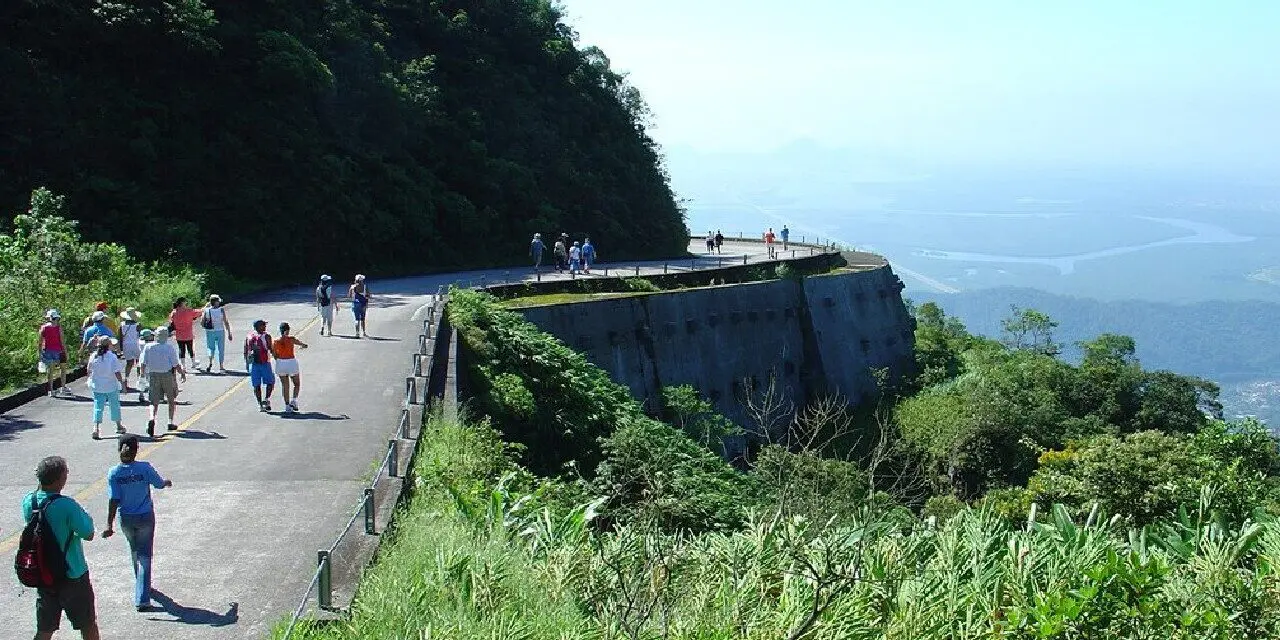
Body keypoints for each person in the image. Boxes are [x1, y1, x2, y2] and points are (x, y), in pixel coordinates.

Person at [23, 456, 100, 640]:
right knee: (87, 625)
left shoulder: (29, 502)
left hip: (44, 573)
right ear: (59, 479)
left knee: (44, 629)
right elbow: (88, 534)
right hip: (73, 574)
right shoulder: (66, 505)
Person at [102, 435, 172, 612]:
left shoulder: (115, 473)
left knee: (134, 550)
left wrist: (109, 525)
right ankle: (142, 597)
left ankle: (142, 582)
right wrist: (165, 483)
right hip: (145, 516)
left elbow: (114, 499)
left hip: (126, 518)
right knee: (145, 555)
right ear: (136, 450)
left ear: (119, 450)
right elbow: (158, 484)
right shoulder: (144, 468)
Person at [139, 326, 185, 438]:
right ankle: (170, 422)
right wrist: (182, 373)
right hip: (167, 374)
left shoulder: (148, 347)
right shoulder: (169, 348)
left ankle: (151, 418)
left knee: (153, 401)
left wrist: (142, 375)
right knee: (171, 399)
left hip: (153, 375)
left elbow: (143, 363)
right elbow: (175, 364)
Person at [87, 335, 126, 441]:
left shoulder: (94, 356)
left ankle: (96, 428)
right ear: (109, 345)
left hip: (97, 385)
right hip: (111, 385)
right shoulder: (112, 357)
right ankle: (118, 425)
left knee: (98, 406)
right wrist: (122, 384)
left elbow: (88, 370)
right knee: (114, 405)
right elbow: (117, 372)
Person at [272, 322, 309, 412]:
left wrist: (278, 358)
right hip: (291, 362)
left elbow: (274, 353)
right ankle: (294, 400)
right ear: (287, 330)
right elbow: (303, 345)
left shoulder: (276, 341)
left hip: (280, 363)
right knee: (296, 384)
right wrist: (303, 346)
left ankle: (287, 405)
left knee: (285, 385)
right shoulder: (291, 339)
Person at [244, 319, 275, 411]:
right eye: (263, 325)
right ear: (258, 327)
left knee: (256, 385)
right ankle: (266, 399)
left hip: (253, 364)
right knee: (270, 382)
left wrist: (246, 362)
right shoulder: (267, 336)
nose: (265, 327)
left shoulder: (249, 336)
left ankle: (260, 403)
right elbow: (270, 348)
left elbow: (245, 350)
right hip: (265, 362)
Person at [38, 309, 70, 397]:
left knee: (50, 371)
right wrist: (65, 352)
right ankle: (63, 387)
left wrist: (40, 353)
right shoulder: (58, 327)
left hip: (47, 350)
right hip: (58, 350)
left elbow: (40, 342)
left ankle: (51, 390)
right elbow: (62, 341)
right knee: (63, 368)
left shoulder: (43, 327)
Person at [199, 294, 232, 373]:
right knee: (221, 348)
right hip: (220, 330)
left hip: (210, 331)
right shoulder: (221, 310)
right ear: (216, 302)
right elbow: (226, 322)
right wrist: (229, 332)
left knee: (210, 347)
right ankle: (221, 366)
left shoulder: (207, 310)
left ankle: (210, 362)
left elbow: (202, 322)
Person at [167, 297, 202, 371]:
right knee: (190, 349)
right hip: (188, 334)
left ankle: (183, 366)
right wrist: (206, 306)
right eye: (185, 302)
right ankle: (193, 363)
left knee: (181, 350)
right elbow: (199, 312)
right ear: (182, 303)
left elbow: (170, 322)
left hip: (179, 335)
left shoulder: (174, 312)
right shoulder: (188, 311)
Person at [117, 308, 143, 391]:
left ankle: (126, 380)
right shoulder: (138, 325)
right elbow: (141, 335)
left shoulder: (122, 325)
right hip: (136, 344)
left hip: (126, 345)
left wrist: (120, 348)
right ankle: (140, 381)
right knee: (139, 362)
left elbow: (120, 337)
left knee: (129, 363)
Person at [348, 274, 371, 338]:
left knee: (356, 319)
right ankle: (363, 332)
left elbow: (349, 296)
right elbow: (368, 295)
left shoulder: (353, 287)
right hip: (363, 304)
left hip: (355, 303)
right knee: (363, 319)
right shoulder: (365, 287)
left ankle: (357, 333)